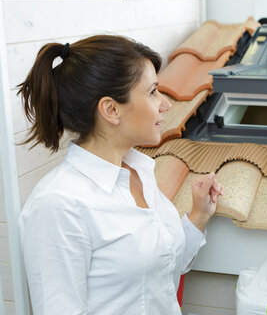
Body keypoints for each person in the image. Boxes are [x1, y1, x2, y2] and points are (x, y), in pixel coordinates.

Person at [17, 35, 223, 314]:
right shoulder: (58, 206)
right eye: (152, 92)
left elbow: (160, 269)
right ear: (111, 110)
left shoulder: (139, 172)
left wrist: (198, 215)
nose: (166, 105)